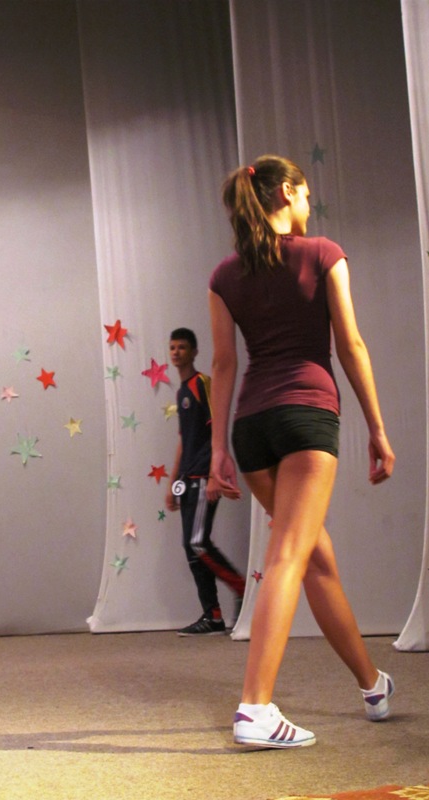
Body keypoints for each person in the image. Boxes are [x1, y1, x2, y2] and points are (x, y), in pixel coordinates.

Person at [208, 155, 395, 748]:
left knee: (315, 557)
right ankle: (255, 708)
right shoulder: (322, 253)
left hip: (252, 428)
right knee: (289, 554)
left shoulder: (225, 275)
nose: (310, 205)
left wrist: (217, 450)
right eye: (306, 195)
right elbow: (351, 344)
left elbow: (223, 364)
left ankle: (372, 685)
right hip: (307, 417)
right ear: (287, 192)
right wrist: (377, 428)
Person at [166, 327, 246, 636]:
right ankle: (212, 616)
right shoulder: (181, 391)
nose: (176, 352)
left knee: (197, 542)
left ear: (194, 352)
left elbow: (217, 428)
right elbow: (183, 439)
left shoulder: (202, 384)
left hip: (203, 476)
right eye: (173, 347)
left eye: (182, 347)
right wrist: (172, 483)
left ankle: (242, 587)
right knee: (191, 548)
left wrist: (215, 474)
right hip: (188, 478)